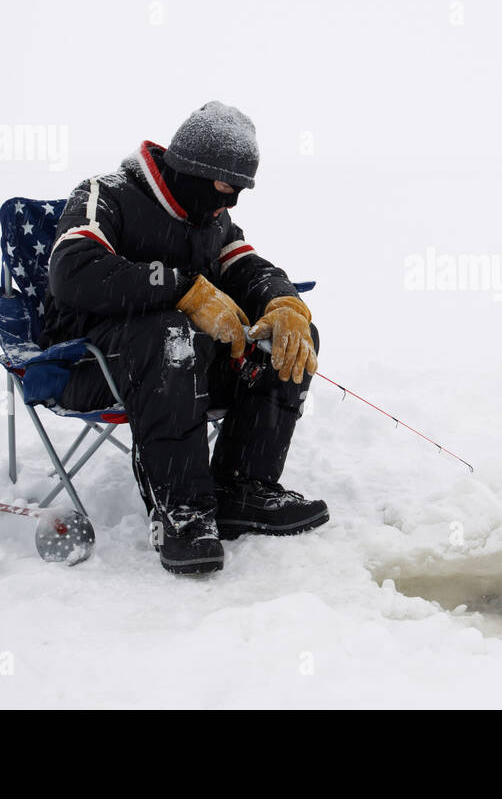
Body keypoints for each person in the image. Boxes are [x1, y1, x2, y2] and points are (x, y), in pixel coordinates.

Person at [41, 101, 327, 575]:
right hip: (86, 365)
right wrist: (182, 288)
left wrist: (283, 302)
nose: (229, 201)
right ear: (190, 167)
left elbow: (246, 267)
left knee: (287, 336)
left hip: (184, 369)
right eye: (222, 186)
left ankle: (241, 488)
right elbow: (72, 271)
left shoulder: (213, 219)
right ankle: (184, 512)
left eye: (240, 191)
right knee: (173, 333)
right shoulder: (105, 194)